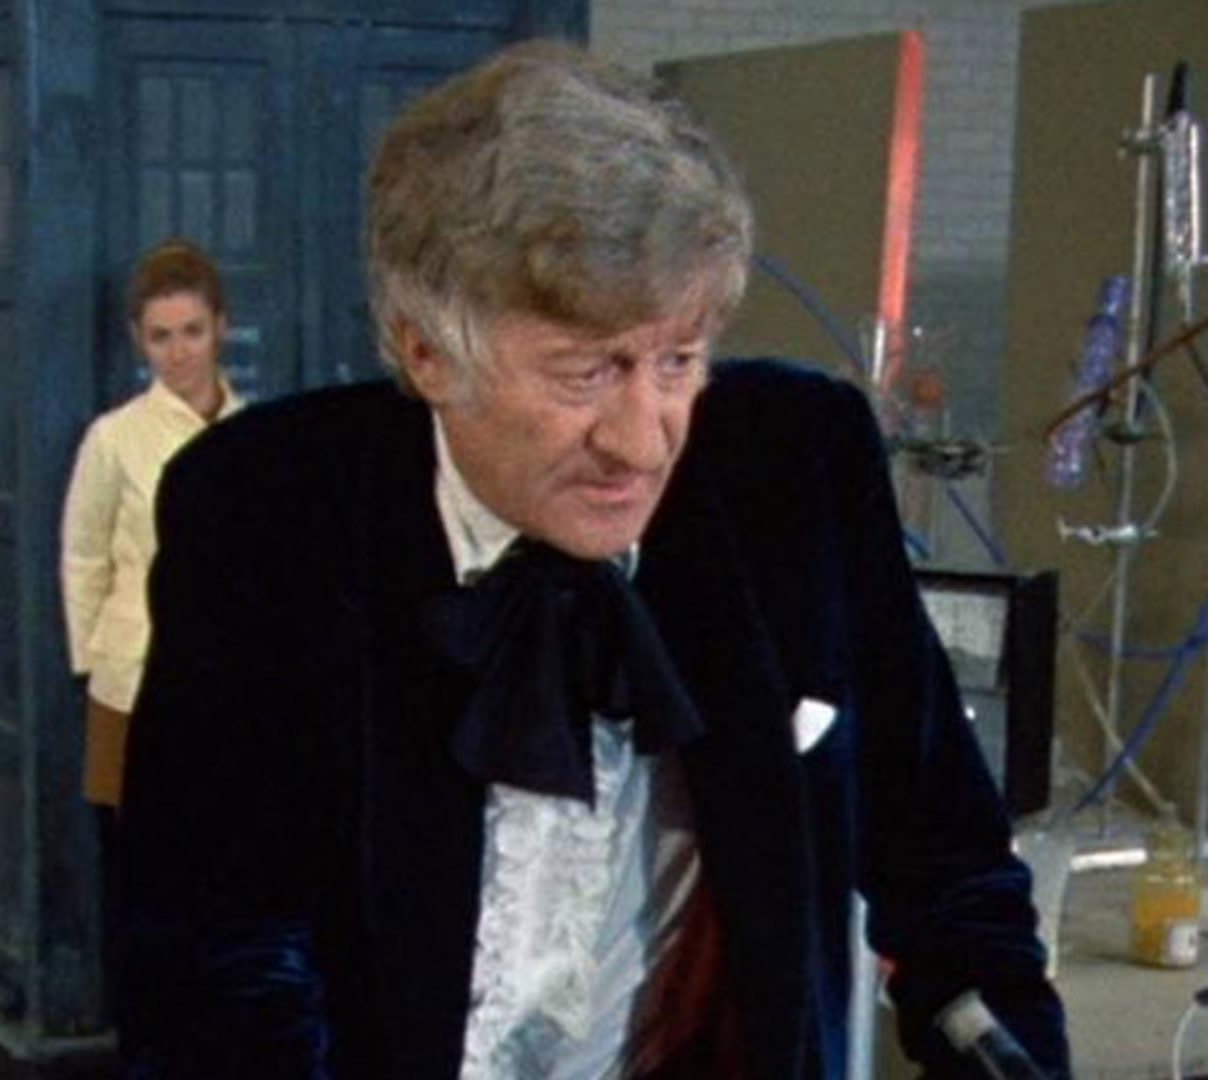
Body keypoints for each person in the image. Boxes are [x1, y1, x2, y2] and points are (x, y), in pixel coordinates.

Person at [117, 41, 1068, 1079]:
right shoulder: (261, 512)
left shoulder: (796, 466)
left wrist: (1006, 1049)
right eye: (586, 373)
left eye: (678, 361)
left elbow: (946, 860)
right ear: (425, 350)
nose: (644, 439)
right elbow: (213, 962)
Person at [60, 239, 243, 811]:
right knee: (130, 836)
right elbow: (83, 556)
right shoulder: (113, 438)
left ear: (220, 328)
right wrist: (93, 661)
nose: (179, 353)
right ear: (139, 340)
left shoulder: (255, 435)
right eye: (161, 337)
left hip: (233, 678)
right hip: (132, 678)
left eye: (192, 332)